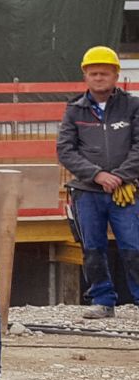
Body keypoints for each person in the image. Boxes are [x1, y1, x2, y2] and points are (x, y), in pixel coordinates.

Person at [55, 44, 139, 319]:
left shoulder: (133, 107)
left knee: (133, 247)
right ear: (85, 76)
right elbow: (65, 150)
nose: (99, 77)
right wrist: (97, 175)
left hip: (125, 191)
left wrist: (122, 176)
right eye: (94, 73)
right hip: (86, 192)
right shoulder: (74, 110)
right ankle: (103, 301)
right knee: (92, 249)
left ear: (116, 75)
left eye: (105, 73)